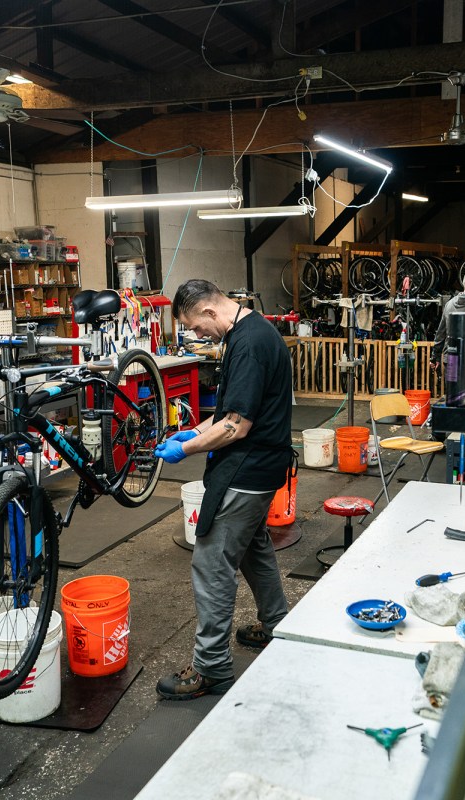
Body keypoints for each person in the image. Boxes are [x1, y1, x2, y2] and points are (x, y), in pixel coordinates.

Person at [152, 279, 295, 700]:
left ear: (211, 312)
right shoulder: (251, 331)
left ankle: (211, 668)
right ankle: (276, 624)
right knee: (254, 549)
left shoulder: (248, 345)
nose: (197, 336)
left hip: (246, 472)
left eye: (196, 327)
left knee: (212, 564)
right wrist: (190, 432)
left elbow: (236, 426)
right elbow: (229, 411)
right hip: (264, 468)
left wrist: (188, 450)